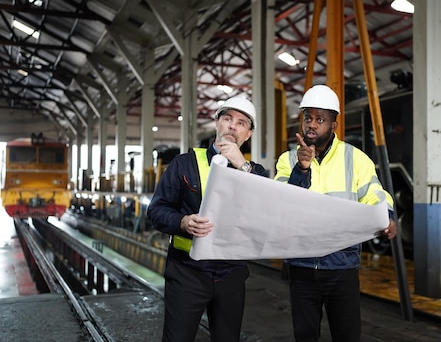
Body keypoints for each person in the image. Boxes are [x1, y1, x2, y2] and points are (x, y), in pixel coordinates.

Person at [274, 84, 397, 342]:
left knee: (347, 336)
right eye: (308, 117)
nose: (312, 124)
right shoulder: (288, 160)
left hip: (342, 268)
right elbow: (281, 202)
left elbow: (375, 193)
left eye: (320, 119)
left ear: (333, 125)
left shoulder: (356, 159)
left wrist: (387, 215)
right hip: (302, 267)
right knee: (305, 336)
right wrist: (302, 170)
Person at [147, 96, 267, 342]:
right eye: (227, 118)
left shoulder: (256, 174)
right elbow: (156, 210)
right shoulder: (184, 164)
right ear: (217, 123)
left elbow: (265, 210)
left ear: (249, 134)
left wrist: (241, 165)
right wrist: (182, 222)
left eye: (241, 122)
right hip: (187, 271)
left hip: (231, 273)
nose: (232, 126)